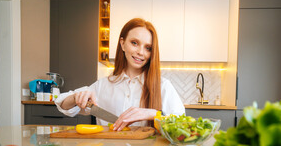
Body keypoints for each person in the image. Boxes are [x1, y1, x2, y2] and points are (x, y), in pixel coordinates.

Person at [55, 18, 185, 131]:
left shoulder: (163, 86)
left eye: (148, 48)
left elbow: (182, 124)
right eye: (134, 43)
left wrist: (153, 114)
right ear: (122, 44)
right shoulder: (103, 85)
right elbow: (63, 105)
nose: (140, 52)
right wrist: (76, 98)